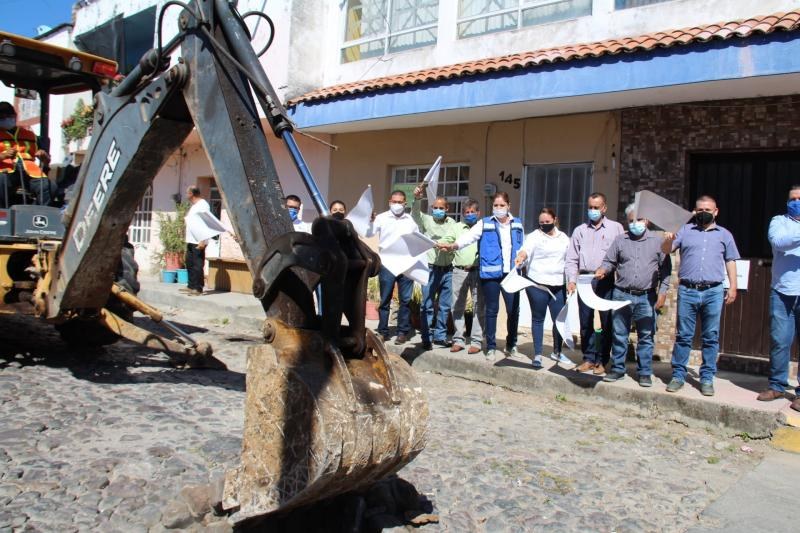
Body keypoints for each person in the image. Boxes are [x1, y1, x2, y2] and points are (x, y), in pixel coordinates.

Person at [662, 195, 739, 396]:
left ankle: (706, 378)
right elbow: (666, 250)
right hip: (688, 290)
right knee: (684, 335)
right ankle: (678, 375)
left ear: (716, 211)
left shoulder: (725, 235)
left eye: (708, 209)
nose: (703, 212)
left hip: (713, 291)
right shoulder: (685, 231)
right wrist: (667, 239)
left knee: (710, 336)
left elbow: (731, 261)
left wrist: (733, 287)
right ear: (694, 211)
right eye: (700, 209)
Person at [596, 204, 671, 386]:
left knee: (646, 335)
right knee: (619, 334)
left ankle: (644, 372)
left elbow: (666, 270)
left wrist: (662, 293)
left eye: (638, 220)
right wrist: (603, 269)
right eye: (631, 221)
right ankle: (618, 369)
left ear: (646, 221)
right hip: (622, 294)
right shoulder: (620, 240)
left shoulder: (658, 242)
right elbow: (609, 261)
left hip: (646, 297)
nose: (634, 223)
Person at [443, 192, 522, 360]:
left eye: (502, 205)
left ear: (509, 206)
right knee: (492, 310)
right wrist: (453, 246)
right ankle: (491, 346)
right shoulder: (485, 223)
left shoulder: (518, 224)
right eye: (496, 205)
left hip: (512, 274)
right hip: (491, 274)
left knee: (513, 310)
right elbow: (468, 238)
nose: (498, 208)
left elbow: (522, 247)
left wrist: (523, 261)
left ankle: (511, 344)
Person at [565, 192, 625, 375]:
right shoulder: (579, 230)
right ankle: (589, 358)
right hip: (584, 280)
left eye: (596, 207)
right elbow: (571, 258)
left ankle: (602, 360)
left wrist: (608, 271)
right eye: (590, 207)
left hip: (605, 281)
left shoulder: (616, 229)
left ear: (604, 208)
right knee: (585, 322)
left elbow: (622, 255)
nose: (593, 211)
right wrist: (572, 280)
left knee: (607, 323)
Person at [757, 186, 800, 411]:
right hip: (782, 291)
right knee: (779, 342)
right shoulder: (778, 221)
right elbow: (779, 243)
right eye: (793, 199)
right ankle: (776, 386)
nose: (796, 202)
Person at [514, 207, 571, 369]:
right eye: (541, 223)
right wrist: (521, 257)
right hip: (537, 284)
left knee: (559, 319)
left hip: (558, 286)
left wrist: (572, 279)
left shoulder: (563, 238)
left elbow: (571, 258)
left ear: (555, 220)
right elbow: (526, 250)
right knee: (538, 319)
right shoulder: (534, 236)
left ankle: (557, 352)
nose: (544, 225)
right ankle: (538, 353)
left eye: (547, 222)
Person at [365, 190, 419, 344]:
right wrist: (368, 221)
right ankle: (383, 331)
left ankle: (402, 332)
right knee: (385, 300)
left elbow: (417, 239)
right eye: (394, 202)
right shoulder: (381, 218)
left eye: (400, 202)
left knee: (405, 301)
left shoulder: (410, 220)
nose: (397, 205)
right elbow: (368, 234)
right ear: (389, 202)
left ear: (405, 203)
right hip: (387, 264)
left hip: (405, 264)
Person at [412, 186, 457, 350]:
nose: (438, 210)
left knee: (445, 306)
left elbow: (453, 238)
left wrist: (444, 243)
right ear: (432, 208)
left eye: (441, 208)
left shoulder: (452, 223)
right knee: (427, 304)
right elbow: (415, 215)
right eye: (435, 208)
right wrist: (417, 199)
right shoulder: (426, 220)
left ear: (447, 209)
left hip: (448, 269)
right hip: (430, 269)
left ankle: (440, 336)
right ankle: (426, 336)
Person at [0, 101, 53, 207]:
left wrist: (43, 156)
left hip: (30, 170)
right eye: (2, 118)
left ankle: (38, 215)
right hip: (5, 171)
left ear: (15, 116)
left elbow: (46, 160)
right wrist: (3, 156)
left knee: (49, 186)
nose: (6, 119)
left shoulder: (30, 135)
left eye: (9, 116)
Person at [450, 199, 484, 355]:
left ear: (478, 213)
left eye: (472, 212)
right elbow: (448, 240)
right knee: (457, 305)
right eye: (466, 212)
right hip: (459, 271)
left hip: (478, 271)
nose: (469, 215)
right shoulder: (456, 227)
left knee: (479, 306)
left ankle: (476, 341)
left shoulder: (484, 227)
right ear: (463, 214)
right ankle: (458, 339)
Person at [183, 185, 211, 296]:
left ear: (191, 194)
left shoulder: (203, 205)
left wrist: (203, 240)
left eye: (187, 193)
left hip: (199, 240)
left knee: (197, 264)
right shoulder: (195, 206)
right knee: (189, 262)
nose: (186, 195)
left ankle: (198, 288)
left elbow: (205, 222)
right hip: (191, 239)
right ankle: (191, 286)